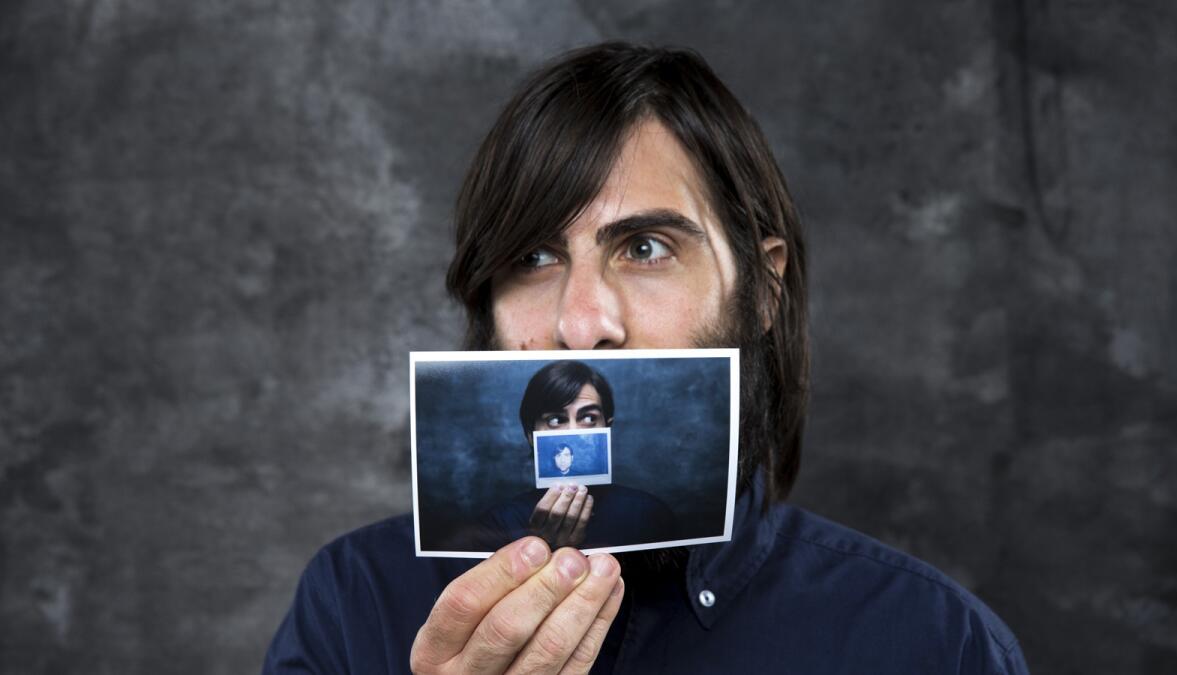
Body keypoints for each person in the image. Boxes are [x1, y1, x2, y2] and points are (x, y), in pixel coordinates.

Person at [263, 42, 1030, 673]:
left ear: (762, 291)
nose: (583, 322)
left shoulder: (933, 643)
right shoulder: (352, 604)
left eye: (646, 247)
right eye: (533, 255)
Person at [471, 359, 676, 551]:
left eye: (588, 417)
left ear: (607, 428)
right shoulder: (498, 525)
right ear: (530, 436)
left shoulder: (649, 514)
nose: (573, 432)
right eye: (555, 420)